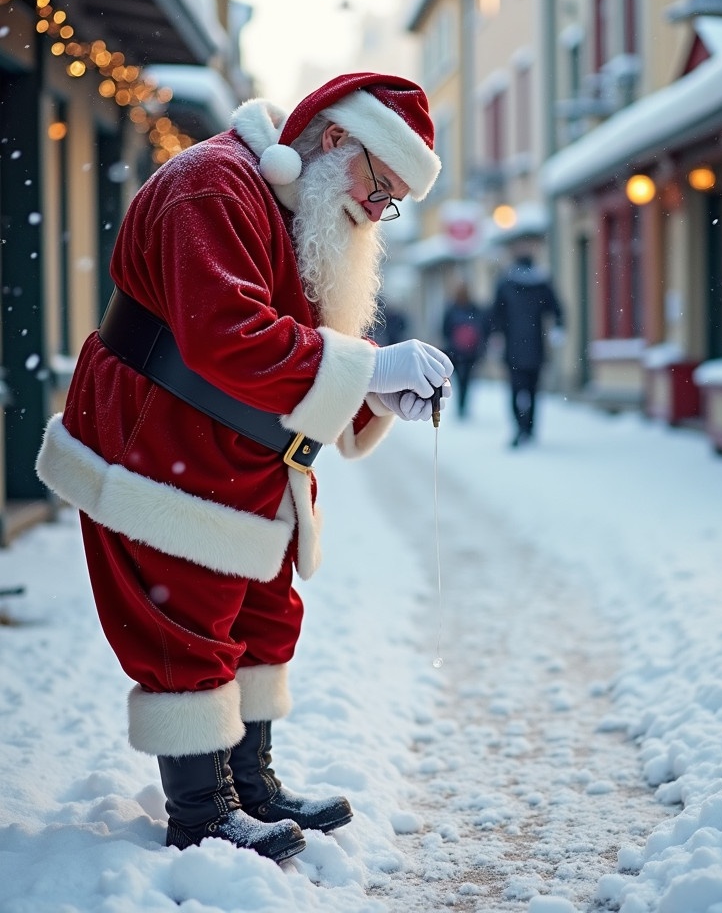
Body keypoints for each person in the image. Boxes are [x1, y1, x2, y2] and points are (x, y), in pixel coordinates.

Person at [35, 73, 454, 863]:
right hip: (159, 444)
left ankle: (250, 785)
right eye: (381, 185)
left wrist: (373, 397)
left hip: (233, 453)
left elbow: (293, 344)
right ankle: (201, 811)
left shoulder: (297, 205)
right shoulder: (212, 185)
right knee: (185, 620)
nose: (378, 210)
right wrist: (366, 367)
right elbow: (227, 334)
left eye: (393, 199)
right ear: (336, 141)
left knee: (262, 613)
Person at [490, 249, 564, 447]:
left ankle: (520, 427)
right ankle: (528, 428)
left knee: (516, 390)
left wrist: (495, 336)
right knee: (532, 391)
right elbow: (557, 309)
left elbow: (495, 314)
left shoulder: (506, 284)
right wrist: (558, 328)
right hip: (536, 347)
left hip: (513, 348)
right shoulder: (541, 285)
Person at [441, 282, 487, 418]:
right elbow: (482, 328)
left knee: (462, 380)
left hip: (459, 352)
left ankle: (461, 406)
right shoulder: (473, 309)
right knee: (465, 380)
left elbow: (445, 330)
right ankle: (462, 406)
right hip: (468, 352)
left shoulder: (452, 309)